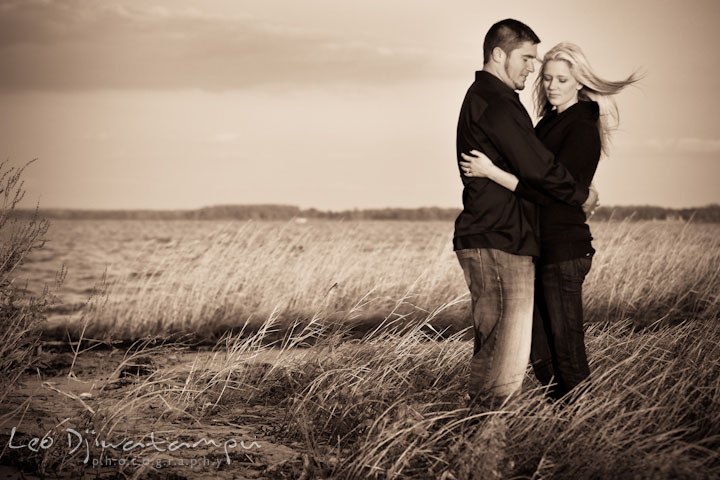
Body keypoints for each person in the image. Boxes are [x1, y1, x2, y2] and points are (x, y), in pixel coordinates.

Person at [460, 42, 639, 402]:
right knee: (540, 353)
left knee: (566, 350)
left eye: (561, 79)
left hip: (564, 249)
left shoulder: (581, 125)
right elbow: (553, 182)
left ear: (579, 82)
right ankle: (562, 418)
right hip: (541, 247)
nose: (551, 86)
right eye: (547, 78)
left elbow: (552, 193)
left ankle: (584, 429)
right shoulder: (549, 122)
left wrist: (492, 172)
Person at [453, 19, 599, 407]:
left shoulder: (499, 102)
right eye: (528, 58)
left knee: (518, 353)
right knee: (504, 358)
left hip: (517, 240)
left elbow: (534, 171)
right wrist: (581, 194)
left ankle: (497, 442)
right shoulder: (497, 102)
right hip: (501, 239)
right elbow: (536, 169)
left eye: (541, 63)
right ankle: (483, 451)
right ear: (499, 54)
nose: (534, 70)